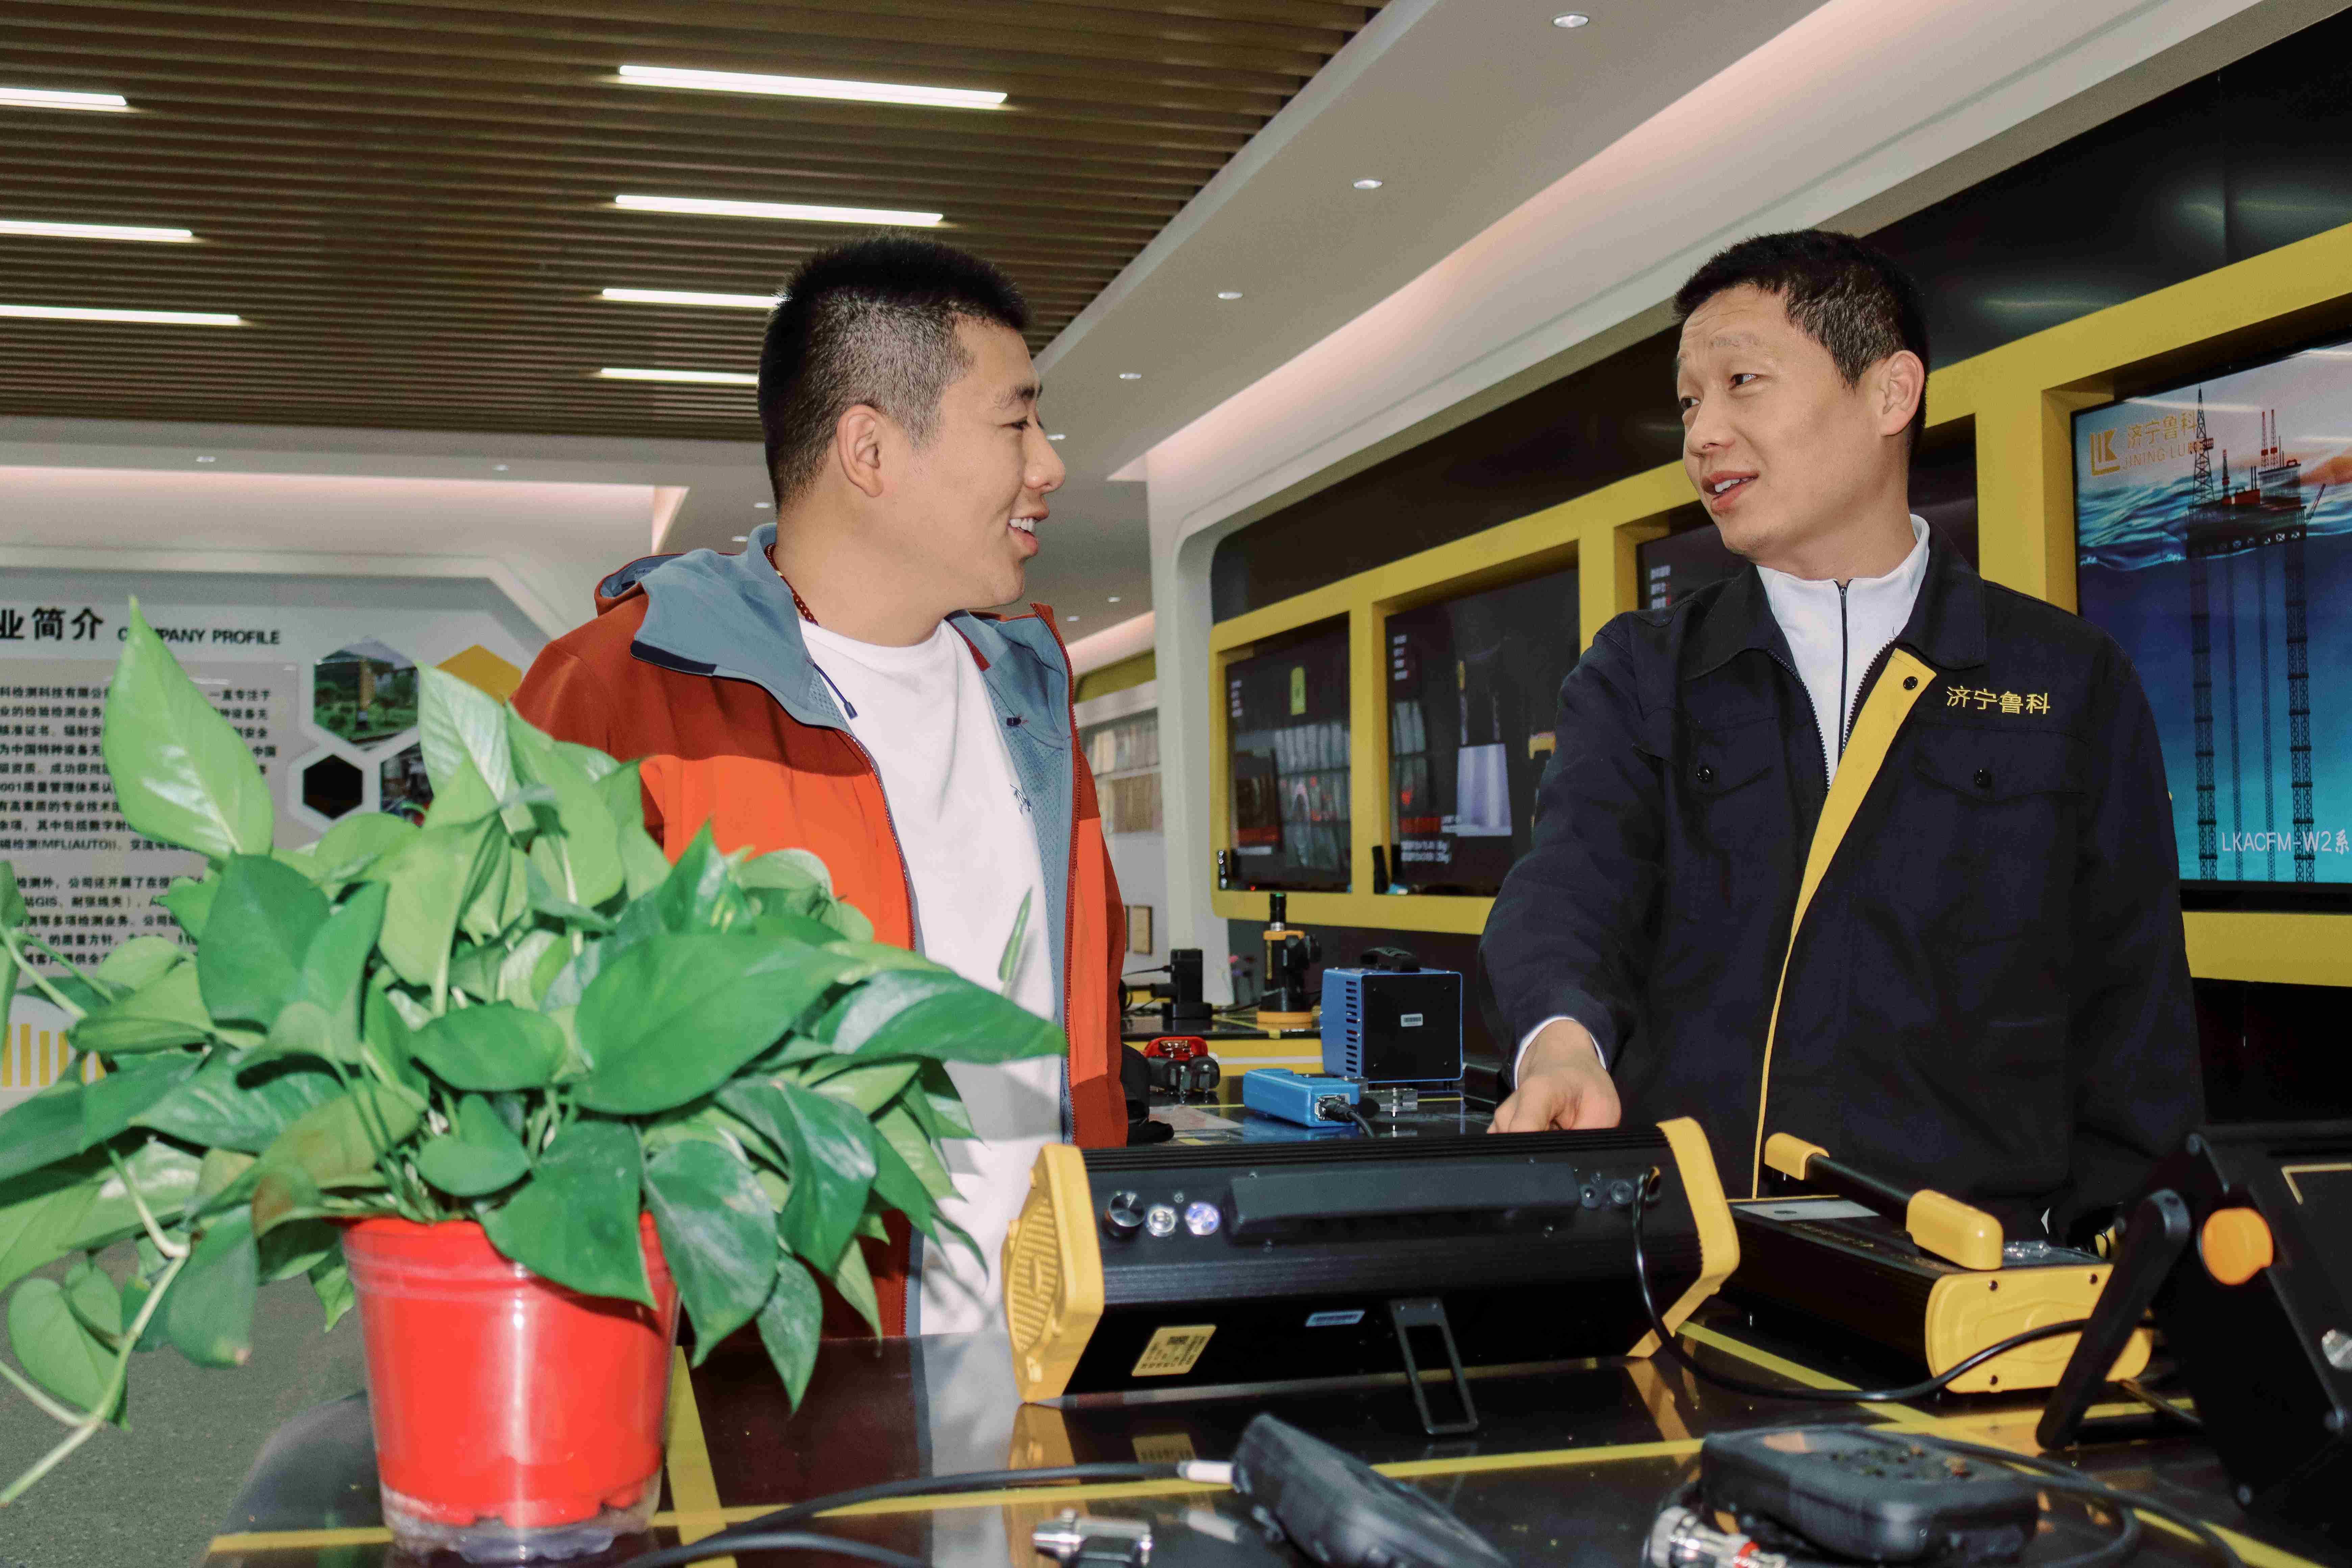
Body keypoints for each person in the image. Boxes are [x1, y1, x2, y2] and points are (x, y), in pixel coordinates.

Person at [1480, 230, 2200, 1240]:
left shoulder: (2066, 680)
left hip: (1969, 1280)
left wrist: (2112, 1263)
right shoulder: (1643, 671)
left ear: (1890, 392)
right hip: (1695, 1262)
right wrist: (1561, 1043)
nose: (1703, 435)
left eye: (1743, 382)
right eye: (1689, 403)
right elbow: (1571, 885)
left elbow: (2136, 1015)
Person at [513, 235, 1125, 1335]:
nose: (1050, 467)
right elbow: (526, 1083)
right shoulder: (620, 696)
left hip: (1052, 1353)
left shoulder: (1032, 695)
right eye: (1016, 422)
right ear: (870, 450)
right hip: (781, 1368)